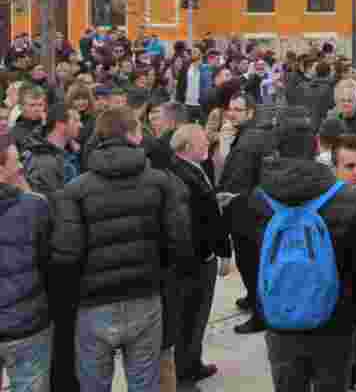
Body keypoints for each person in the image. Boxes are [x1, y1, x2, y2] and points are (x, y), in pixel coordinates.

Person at [50, 106, 191, 392]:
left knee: (94, 385)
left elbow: (66, 255)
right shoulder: (160, 182)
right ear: (133, 135)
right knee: (144, 384)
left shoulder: (75, 190)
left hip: (94, 304)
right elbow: (180, 242)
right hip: (144, 296)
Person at [250, 114, 356, 392]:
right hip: (335, 320)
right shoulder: (349, 199)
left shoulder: (258, 200)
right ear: (317, 146)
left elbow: (251, 261)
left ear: (276, 149)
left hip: (280, 317)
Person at [168, 125, 231, 384]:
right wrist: (224, 252)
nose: (207, 143)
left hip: (192, 256)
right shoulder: (184, 175)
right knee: (193, 316)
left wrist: (215, 201)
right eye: (202, 141)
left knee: (194, 317)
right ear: (186, 147)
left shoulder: (187, 169)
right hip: (196, 258)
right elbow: (203, 220)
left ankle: (192, 362)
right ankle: (186, 370)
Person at [0, 127, 53, 392]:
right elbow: (49, 261)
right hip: (27, 325)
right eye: (15, 162)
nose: (21, 166)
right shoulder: (34, 206)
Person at [216, 93, 269, 335]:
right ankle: (252, 297)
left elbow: (235, 176)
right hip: (246, 208)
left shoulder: (248, 140)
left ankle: (260, 315)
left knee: (251, 263)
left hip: (247, 212)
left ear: (250, 113)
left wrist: (226, 149)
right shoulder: (244, 135)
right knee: (248, 261)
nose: (233, 113)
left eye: (239, 109)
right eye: (231, 109)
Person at [22, 102, 80, 199]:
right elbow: (52, 203)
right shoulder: (44, 161)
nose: (80, 125)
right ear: (60, 125)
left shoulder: (67, 153)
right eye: (76, 120)